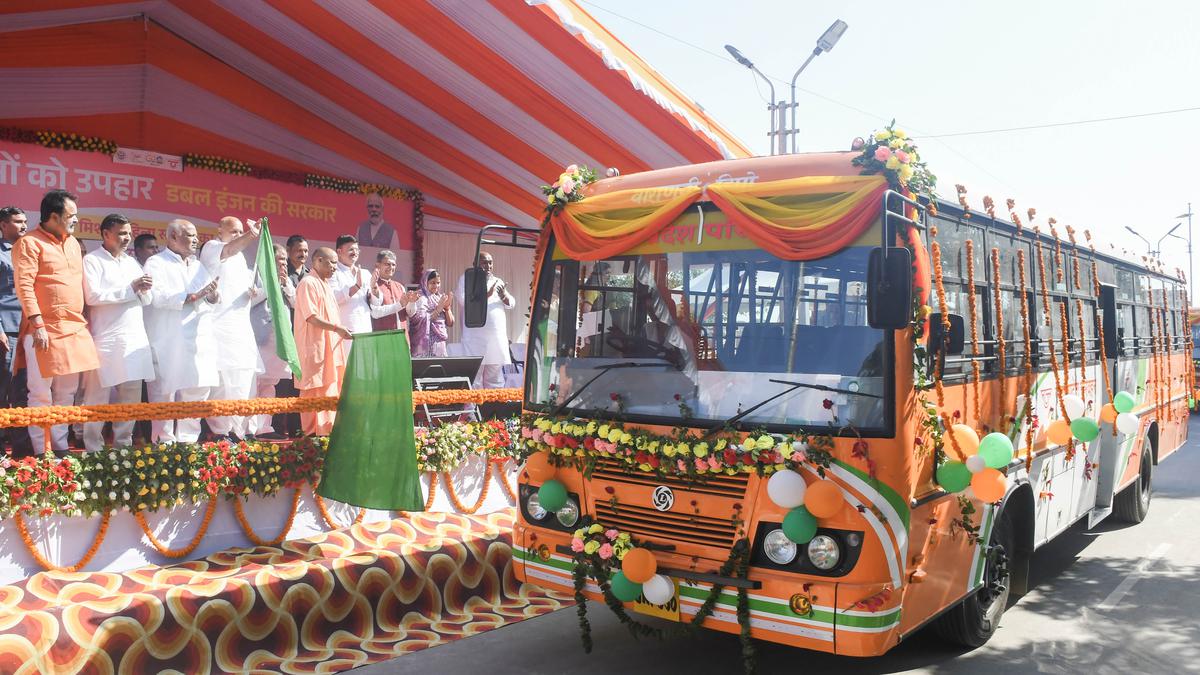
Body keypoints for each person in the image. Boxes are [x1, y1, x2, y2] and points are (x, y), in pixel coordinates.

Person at [13, 189, 100, 454]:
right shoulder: (29, 243)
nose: (76, 220)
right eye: (71, 215)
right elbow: (24, 286)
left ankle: (60, 446)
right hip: (44, 330)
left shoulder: (74, 243)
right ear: (54, 216)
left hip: (74, 329)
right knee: (40, 394)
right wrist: (37, 323)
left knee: (67, 394)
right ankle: (42, 450)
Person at [80, 214, 155, 452]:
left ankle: (123, 446)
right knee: (97, 397)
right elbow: (92, 296)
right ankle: (93, 448)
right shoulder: (92, 261)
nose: (127, 238)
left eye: (128, 233)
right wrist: (130, 288)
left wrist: (143, 289)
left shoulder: (131, 262)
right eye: (122, 233)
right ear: (105, 234)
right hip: (106, 338)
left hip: (133, 338)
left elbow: (146, 300)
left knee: (130, 397)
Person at [143, 219, 219, 443]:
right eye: (190, 235)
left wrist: (212, 294)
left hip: (197, 337)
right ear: (173, 237)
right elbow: (156, 297)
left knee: (196, 390)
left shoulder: (197, 265)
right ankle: (164, 445)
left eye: (196, 235)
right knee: (164, 393)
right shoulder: (156, 263)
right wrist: (193, 296)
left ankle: (188, 443)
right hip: (169, 337)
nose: (196, 239)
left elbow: (211, 297)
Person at [200, 216, 264, 440]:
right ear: (220, 231)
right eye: (233, 231)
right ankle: (219, 430)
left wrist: (250, 294)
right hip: (218, 328)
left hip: (241, 329)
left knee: (243, 380)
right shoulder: (212, 248)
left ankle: (238, 430)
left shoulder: (241, 261)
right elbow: (228, 250)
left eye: (240, 232)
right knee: (221, 381)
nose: (238, 235)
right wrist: (251, 234)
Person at [293, 247, 351, 435]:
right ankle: (312, 437)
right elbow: (311, 317)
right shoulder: (308, 283)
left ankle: (328, 432)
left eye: (336, 262)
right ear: (317, 261)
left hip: (331, 350)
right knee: (314, 392)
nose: (335, 267)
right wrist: (337, 329)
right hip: (315, 349)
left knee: (331, 390)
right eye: (331, 262)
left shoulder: (325, 284)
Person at [249, 243, 294, 440]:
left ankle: (265, 427)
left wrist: (284, 285)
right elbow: (248, 301)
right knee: (254, 384)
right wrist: (271, 285)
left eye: (285, 259)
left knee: (269, 384)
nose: (283, 263)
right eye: (279, 259)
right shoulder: (254, 274)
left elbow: (295, 303)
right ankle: (249, 429)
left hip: (278, 339)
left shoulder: (286, 280)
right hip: (259, 337)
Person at [455, 252, 514, 388]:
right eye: (484, 262)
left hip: (495, 337)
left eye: (490, 262)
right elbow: (463, 301)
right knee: (474, 376)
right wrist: (485, 295)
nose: (488, 266)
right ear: (475, 263)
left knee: (495, 378)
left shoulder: (497, 281)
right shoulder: (467, 279)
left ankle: (493, 408)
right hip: (475, 337)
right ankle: (471, 409)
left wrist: (504, 296)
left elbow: (512, 303)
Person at [0, 207, 31, 454]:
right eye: (17, 221)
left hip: (29, 330)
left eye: (25, 221)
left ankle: (22, 451)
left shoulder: (29, 251)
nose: (23, 225)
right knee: (3, 390)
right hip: (6, 331)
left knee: (24, 393)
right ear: (3, 225)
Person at [330, 235, 372, 350]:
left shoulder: (365, 273)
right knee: (347, 365)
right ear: (339, 251)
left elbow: (375, 303)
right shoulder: (332, 272)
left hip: (365, 327)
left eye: (357, 249)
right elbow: (334, 299)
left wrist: (376, 292)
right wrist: (356, 286)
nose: (355, 252)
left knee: (366, 365)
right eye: (351, 249)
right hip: (345, 328)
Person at [408, 269, 454, 357]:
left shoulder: (439, 297)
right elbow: (420, 320)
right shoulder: (421, 297)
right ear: (425, 282)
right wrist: (438, 309)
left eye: (438, 283)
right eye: (433, 283)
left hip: (440, 343)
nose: (436, 286)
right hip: (426, 343)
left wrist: (447, 308)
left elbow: (450, 323)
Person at [368, 250, 417, 331]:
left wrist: (412, 302)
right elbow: (375, 313)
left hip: (402, 336)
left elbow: (410, 313)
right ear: (377, 265)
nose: (391, 267)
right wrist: (400, 304)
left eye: (393, 265)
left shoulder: (400, 286)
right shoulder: (373, 285)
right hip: (383, 337)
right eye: (387, 264)